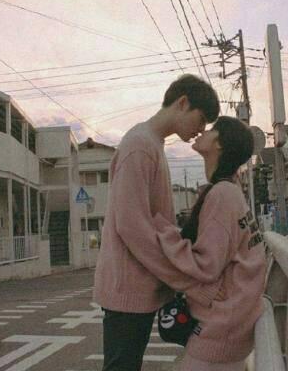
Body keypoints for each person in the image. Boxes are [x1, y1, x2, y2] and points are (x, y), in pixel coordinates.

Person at [94, 74, 221, 371]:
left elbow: (154, 222)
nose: (201, 130)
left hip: (138, 285)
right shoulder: (139, 145)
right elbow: (131, 226)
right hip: (127, 286)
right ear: (183, 103)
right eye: (201, 119)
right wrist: (180, 277)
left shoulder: (152, 144)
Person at [152, 116, 267, 370]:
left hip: (219, 331)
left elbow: (206, 266)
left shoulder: (222, 195)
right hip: (232, 327)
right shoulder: (230, 191)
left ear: (220, 144)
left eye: (212, 129)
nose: (203, 131)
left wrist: (162, 231)